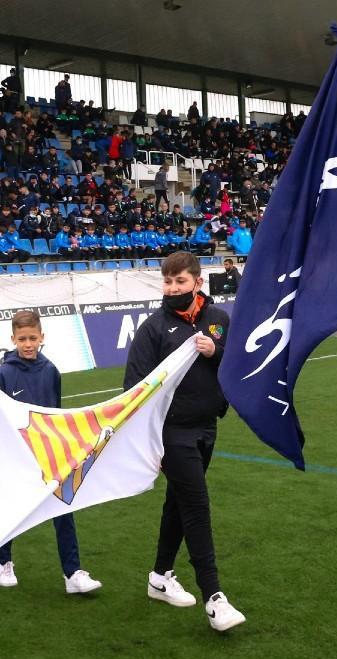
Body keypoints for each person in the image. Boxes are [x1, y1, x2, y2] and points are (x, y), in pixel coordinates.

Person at [123, 251, 245, 632]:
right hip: (171, 435)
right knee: (196, 506)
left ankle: (159, 577)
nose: (172, 288)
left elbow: (236, 365)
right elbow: (134, 390)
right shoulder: (153, 328)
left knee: (177, 505)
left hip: (207, 427)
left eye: (180, 282)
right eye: (167, 282)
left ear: (197, 283)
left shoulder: (218, 320)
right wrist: (149, 443)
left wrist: (216, 352)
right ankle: (214, 598)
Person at [0, 311, 104, 593]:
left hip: (50, 455)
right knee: (10, 511)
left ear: (42, 338)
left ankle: (72, 572)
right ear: (12, 339)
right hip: (15, 457)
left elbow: (56, 412)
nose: (28, 344)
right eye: (22, 339)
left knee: (64, 509)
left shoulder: (50, 370)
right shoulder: (1, 375)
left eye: (33, 338)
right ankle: (3, 562)